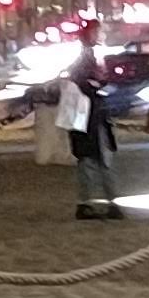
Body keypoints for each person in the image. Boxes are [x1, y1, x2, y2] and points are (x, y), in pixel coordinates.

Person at [62, 26, 121, 221]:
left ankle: (89, 202)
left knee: (89, 161)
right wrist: (99, 84)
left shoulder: (84, 59)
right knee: (100, 161)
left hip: (86, 120)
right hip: (91, 119)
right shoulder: (87, 60)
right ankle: (106, 202)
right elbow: (86, 85)